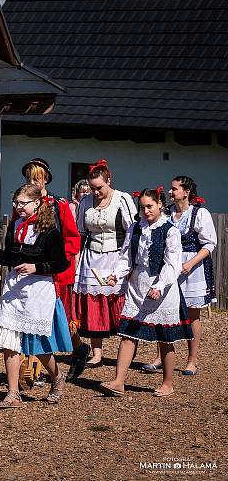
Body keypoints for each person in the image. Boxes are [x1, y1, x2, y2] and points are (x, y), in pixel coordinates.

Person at [0, 184, 71, 408]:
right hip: (14, 288)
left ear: (36, 203)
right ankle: (13, 393)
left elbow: (61, 263)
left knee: (38, 344)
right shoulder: (15, 226)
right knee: (9, 340)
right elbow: (8, 258)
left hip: (38, 290)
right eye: (16, 203)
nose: (18, 207)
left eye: (22, 204)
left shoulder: (49, 230)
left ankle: (57, 376)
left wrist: (36, 267)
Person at [100, 188, 193, 397]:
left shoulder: (170, 230)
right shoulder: (135, 228)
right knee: (127, 333)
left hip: (162, 286)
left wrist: (159, 286)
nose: (146, 211)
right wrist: (116, 274)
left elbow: (172, 264)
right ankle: (118, 381)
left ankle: (168, 383)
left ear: (160, 204)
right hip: (137, 285)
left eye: (150, 206)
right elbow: (126, 256)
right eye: (142, 207)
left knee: (164, 337)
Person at [140, 176, 216, 376]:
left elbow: (210, 244)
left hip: (192, 268)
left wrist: (189, 264)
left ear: (186, 191)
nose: (171, 192)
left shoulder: (199, 213)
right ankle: (160, 356)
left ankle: (192, 360)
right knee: (161, 311)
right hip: (168, 266)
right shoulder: (166, 213)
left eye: (174, 189)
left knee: (192, 314)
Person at [20, 158, 85, 377]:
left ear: (45, 178)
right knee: (32, 318)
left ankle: (79, 349)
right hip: (32, 270)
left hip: (56, 271)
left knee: (61, 319)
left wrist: (58, 260)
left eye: (37, 177)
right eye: (29, 178)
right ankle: (34, 369)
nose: (33, 181)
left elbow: (72, 238)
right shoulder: (23, 204)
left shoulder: (59, 205)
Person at [72, 160, 136, 372]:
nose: (96, 192)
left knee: (117, 302)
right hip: (92, 257)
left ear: (109, 180)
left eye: (99, 187)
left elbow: (131, 231)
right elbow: (81, 232)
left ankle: (124, 350)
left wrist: (129, 262)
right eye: (92, 188)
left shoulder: (122, 199)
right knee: (94, 303)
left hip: (116, 256)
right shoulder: (85, 202)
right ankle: (96, 352)